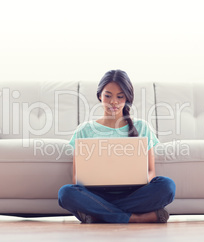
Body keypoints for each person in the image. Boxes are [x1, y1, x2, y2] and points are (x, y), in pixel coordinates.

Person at [58, 70, 176, 223]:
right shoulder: (84, 130)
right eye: (108, 96)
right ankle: (134, 218)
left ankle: (99, 215)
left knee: (167, 186)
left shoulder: (142, 127)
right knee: (66, 193)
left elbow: (151, 171)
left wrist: (138, 178)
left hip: (134, 193)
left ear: (127, 98)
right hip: (97, 194)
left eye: (120, 97)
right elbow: (76, 177)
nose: (113, 102)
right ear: (100, 95)